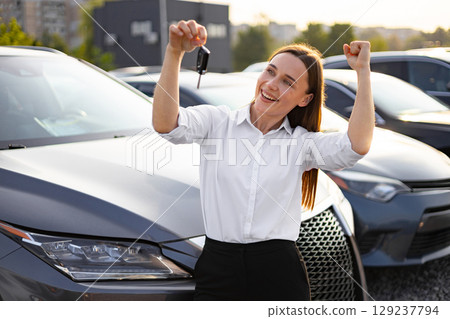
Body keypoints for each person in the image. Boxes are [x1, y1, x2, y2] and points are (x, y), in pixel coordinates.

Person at [153, 20, 374, 301]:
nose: (271, 84)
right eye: (271, 71)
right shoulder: (217, 122)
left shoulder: (300, 144)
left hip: (279, 271)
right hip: (218, 267)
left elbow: (357, 145)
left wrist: (363, 72)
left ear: (304, 100)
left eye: (287, 82)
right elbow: (165, 124)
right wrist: (174, 52)